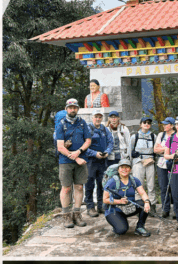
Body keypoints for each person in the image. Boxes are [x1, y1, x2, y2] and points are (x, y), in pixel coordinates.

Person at [54, 98, 93, 228]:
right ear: (66, 109)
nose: (72, 109)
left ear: (78, 109)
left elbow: (88, 140)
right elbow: (60, 147)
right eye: (70, 108)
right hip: (66, 161)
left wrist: (79, 151)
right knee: (66, 188)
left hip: (81, 159)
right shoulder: (61, 124)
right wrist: (75, 157)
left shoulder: (82, 123)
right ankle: (66, 215)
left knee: (79, 187)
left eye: (75, 107)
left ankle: (77, 213)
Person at [102, 158, 151, 237]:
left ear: (130, 169)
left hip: (128, 207)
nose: (124, 169)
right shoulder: (112, 182)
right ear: (118, 169)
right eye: (122, 167)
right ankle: (117, 223)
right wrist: (119, 202)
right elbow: (105, 199)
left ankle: (140, 227)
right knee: (121, 230)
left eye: (127, 167)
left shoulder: (134, 180)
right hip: (114, 210)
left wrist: (147, 202)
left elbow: (142, 193)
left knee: (144, 203)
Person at [83, 111, 114, 218]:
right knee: (89, 184)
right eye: (96, 117)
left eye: (100, 117)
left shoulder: (105, 129)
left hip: (102, 161)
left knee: (102, 183)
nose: (98, 119)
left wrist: (107, 152)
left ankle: (101, 205)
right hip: (90, 161)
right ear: (92, 118)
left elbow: (111, 142)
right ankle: (90, 206)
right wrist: (94, 153)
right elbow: (83, 146)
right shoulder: (87, 129)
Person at [128, 117, 157, 208]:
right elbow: (130, 151)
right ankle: (139, 204)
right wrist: (130, 163)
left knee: (151, 184)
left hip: (150, 161)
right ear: (140, 124)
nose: (146, 124)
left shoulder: (153, 136)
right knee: (138, 184)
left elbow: (155, 149)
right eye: (144, 122)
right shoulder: (134, 136)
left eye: (148, 123)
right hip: (138, 161)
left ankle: (152, 204)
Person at [154, 117, 175, 218]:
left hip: (173, 163)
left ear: (171, 125)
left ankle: (176, 209)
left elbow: (176, 150)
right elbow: (155, 150)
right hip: (161, 163)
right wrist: (167, 149)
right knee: (163, 187)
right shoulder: (161, 135)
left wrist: (163, 149)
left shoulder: (176, 135)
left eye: (166, 124)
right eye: (164, 124)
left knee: (175, 187)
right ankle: (165, 209)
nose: (164, 126)